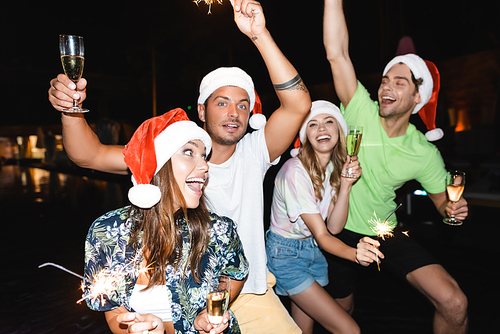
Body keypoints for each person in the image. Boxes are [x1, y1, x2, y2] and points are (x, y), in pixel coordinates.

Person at [49, 1, 311, 332]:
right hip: (176, 297)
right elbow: (89, 155)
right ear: (201, 111)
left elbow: (299, 104)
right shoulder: (167, 151)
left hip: (246, 291)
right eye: (222, 103)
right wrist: (70, 108)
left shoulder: (255, 150)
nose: (234, 112)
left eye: (243, 105)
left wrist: (259, 34)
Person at [321, 1, 469, 333]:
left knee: (455, 302)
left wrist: (454, 211)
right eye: (386, 79)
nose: (387, 86)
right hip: (337, 229)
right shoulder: (360, 107)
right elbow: (337, 54)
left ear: (419, 97)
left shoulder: (422, 152)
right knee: (342, 315)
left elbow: (444, 204)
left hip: (383, 231)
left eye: (400, 82)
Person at [82, 108, 249, 334]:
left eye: (203, 155)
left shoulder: (218, 231)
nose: (205, 166)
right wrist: (134, 330)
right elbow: (113, 312)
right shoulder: (107, 232)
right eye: (189, 152)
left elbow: (236, 274)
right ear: (157, 165)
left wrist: (209, 312)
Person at [266, 100, 382, 334]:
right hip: (287, 256)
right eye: (313, 124)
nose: (321, 128)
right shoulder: (294, 172)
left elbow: (334, 227)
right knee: (349, 329)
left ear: (339, 131)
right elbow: (322, 234)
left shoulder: (332, 169)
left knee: (302, 331)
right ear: (305, 135)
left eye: (329, 121)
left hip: (313, 252)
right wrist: (354, 255)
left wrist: (347, 185)